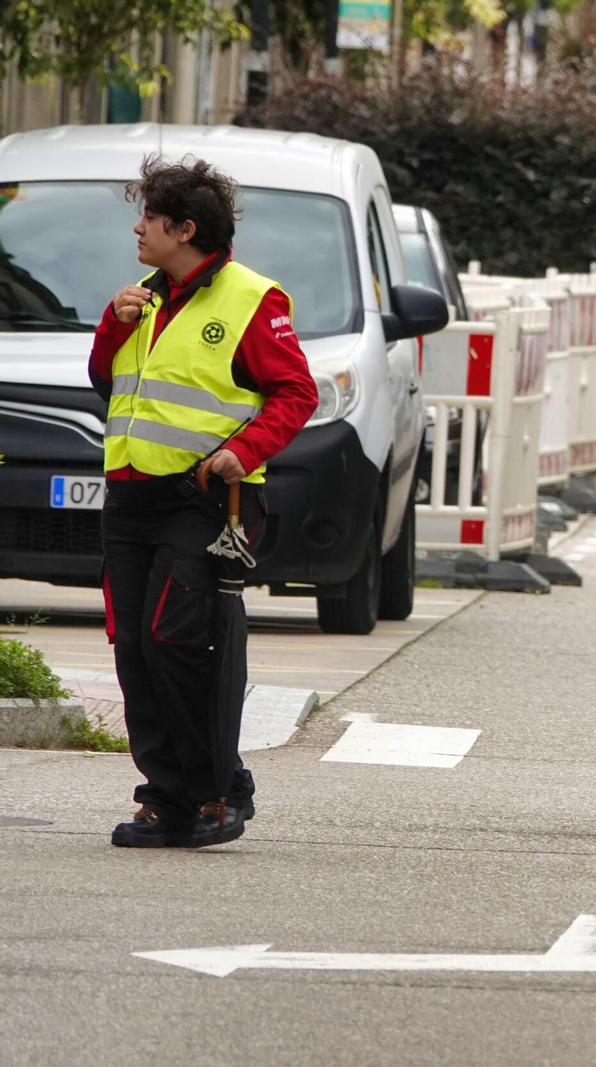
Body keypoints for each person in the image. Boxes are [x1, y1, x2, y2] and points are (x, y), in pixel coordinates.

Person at [89, 156, 317, 848]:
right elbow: (108, 382)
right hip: (128, 498)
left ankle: (218, 787)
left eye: (149, 218)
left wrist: (241, 453)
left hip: (198, 498)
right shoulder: (141, 297)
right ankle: (166, 797)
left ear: (184, 229)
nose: (137, 227)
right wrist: (111, 325)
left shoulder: (252, 299)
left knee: (177, 639)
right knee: (133, 648)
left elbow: (296, 393)